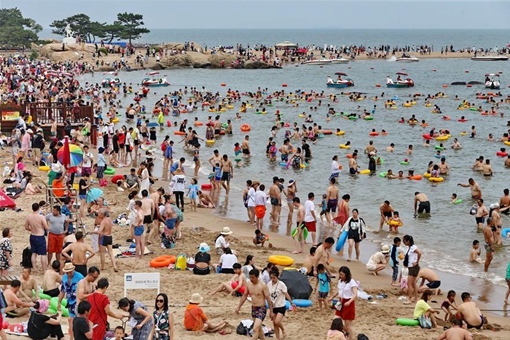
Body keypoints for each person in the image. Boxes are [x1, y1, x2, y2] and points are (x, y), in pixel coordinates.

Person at [235, 268, 273, 340]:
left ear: (257, 277)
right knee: (259, 329)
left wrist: (271, 311)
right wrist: (238, 306)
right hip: (254, 308)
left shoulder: (262, 285)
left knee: (255, 328)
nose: (251, 279)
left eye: (253, 277)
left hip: (261, 308)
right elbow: (245, 295)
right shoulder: (249, 284)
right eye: (250, 277)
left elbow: (268, 298)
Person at [328, 266, 357, 338]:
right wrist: (332, 297)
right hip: (340, 302)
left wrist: (349, 302)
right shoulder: (340, 281)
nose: (341, 276)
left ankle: (349, 337)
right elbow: (339, 291)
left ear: (346, 274)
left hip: (348, 303)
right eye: (340, 274)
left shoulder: (351, 282)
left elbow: (355, 294)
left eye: (342, 275)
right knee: (335, 319)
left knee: (348, 325)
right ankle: (346, 333)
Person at [267, 267, 295, 340]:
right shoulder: (269, 284)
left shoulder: (281, 284)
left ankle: (283, 329)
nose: (272, 280)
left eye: (274, 278)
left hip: (281, 306)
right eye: (271, 278)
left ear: (277, 277)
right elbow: (268, 297)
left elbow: (286, 294)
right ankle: (278, 338)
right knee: (274, 324)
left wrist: (291, 302)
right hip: (273, 306)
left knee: (277, 321)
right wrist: (271, 310)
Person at [58, 262, 84, 340]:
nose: (69, 274)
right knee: (71, 320)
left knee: (73, 319)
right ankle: (72, 337)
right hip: (69, 301)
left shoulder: (80, 277)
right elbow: (62, 291)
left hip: (78, 301)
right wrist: (59, 301)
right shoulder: (64, 278)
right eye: (67, 272)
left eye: (70, 272)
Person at [25, 202, 49, 272]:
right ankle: (44, 269)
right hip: (40, 236)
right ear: (38, 208)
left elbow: (26, 227)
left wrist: (32, 229)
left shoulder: (29, 216)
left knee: (34, 253)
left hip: (33, 235)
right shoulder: (41, 217)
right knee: (43, 254)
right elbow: (46, 227)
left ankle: (35, 268)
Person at [403, 235, 421, 304]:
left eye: (405, 241)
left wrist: (417, 262)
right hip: (411, 267)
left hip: (413, 267)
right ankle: (416, 298)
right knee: (413, 283)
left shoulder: (413, 247)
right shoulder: (410, 248)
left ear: (408, 241)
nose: (404, 242)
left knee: (409, 283)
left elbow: (419, 253)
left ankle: (410, 299)